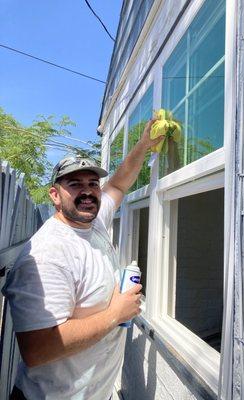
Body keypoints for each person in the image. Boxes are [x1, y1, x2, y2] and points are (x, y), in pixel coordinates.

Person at [2, 120, 163, 400]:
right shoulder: (46, 254)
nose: (87, 191)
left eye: (92, 184)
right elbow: (38, 349)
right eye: (75, 184)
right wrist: (116, 313)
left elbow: (119, 184)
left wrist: (144, 144)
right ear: (55, 194)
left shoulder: (94, 223)